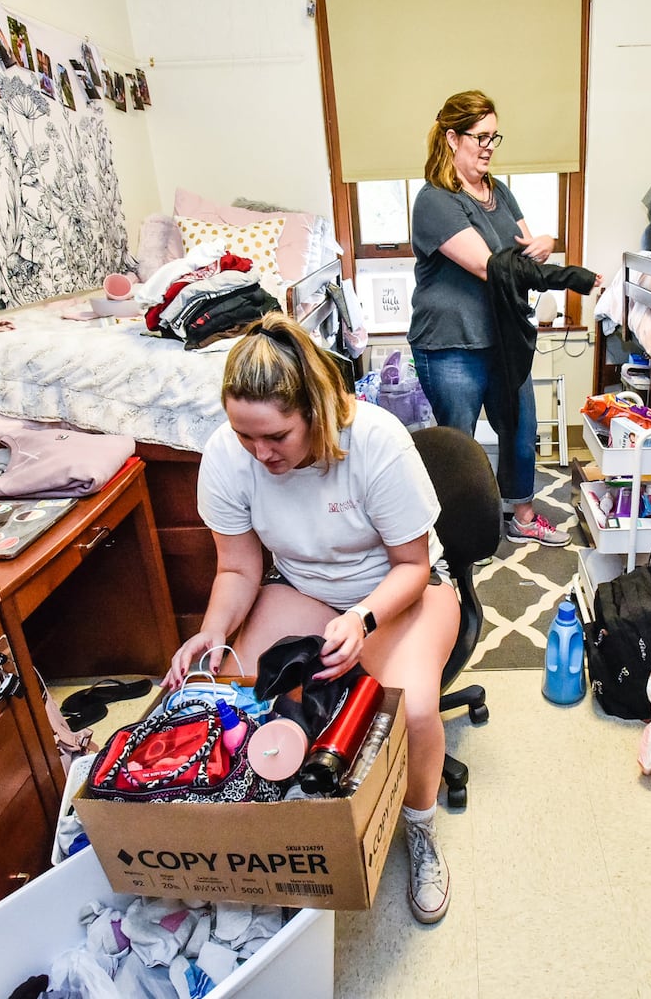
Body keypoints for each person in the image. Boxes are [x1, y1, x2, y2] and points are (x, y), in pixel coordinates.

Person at [163, 312, 459, 925]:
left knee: (415, 708)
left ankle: (420, 828)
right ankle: (281, 832)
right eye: (246, 436)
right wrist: (213, 629)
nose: (259, 452)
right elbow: (239, 571)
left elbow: (412, 562)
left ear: (316, 412)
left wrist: (362, 620)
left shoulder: (373, 441)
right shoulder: (228, 455)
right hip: (301, 585)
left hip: (399, 592)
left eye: (276, 436)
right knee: (248, 692)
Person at [409, 90, 601, 547]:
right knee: (458, 442)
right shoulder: (435, 200)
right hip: (450, 342)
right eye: (480, 137)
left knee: (520, 426)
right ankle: (458, 530)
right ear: (452, 138)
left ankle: (522, 515)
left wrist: (548, 241)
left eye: (495, 136)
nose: (490, 146)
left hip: (503, 336)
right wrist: (573, 276)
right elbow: (491, 266)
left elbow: (525, 253)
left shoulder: (498, 191)